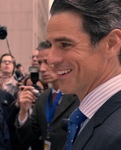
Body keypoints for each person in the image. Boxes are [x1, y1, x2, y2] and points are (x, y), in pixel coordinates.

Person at [47, 0, 121, 150]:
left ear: (112, 43)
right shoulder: (89, 117)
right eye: (50, 45)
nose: (51, 59)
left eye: (65, 44)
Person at [15, 41, 79, 150]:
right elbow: (29, 138)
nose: (42, 69)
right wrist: (23, 112)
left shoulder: (79, 95)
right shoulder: (42, 98)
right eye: (40, 63)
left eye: (47, 61)